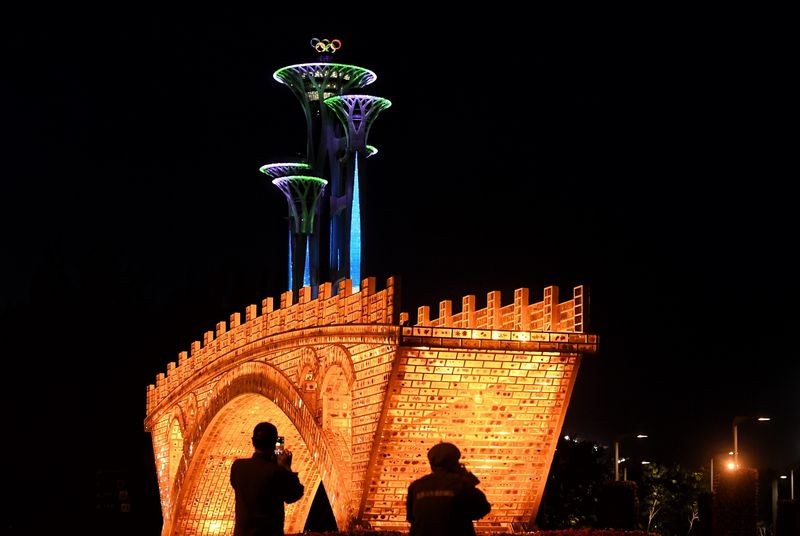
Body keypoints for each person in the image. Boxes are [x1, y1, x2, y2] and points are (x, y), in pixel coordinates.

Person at [230, 422, 305, 536]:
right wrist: (286, 468)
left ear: (253, 441)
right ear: (274, 443)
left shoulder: (237, 466)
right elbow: (294, 495)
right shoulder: (276, 472)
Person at [406, 441, 491, 536]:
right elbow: (482, 509)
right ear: (455, 463)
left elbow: (410, 518)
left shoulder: (415, 486)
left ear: (431, 464)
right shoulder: (461, 483)